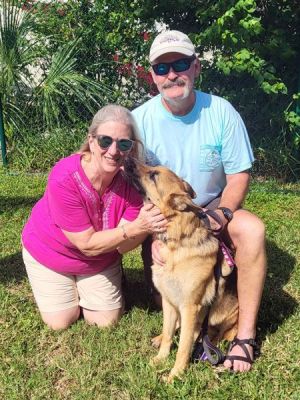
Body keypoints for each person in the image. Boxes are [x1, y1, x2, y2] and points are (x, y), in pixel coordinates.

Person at [132, 30, 266, 372]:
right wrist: (153, 233)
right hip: (168, 219)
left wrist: (222, 213)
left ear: (196, 67)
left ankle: (244, 338)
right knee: (172, 288)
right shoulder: (140, 120)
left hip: (213, 205)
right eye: (162, 69)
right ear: (152, 76)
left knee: (252, 231)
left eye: (180, 64)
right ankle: (177, 327)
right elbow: (133, 183)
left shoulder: (221, 112)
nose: (172, 74)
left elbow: (238, 176)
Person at [21, 104, 167, 330]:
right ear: (91, 140)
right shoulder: (64, 176)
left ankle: (92, 285)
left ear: (131, 148)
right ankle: (62, 282)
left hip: (100, 258)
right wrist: (137, 227)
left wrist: (140, 228)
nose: (113, 151)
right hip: (49, 252)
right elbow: (87, 244)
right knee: (60, 322)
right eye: (105, 141)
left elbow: (122, 247)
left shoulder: (133, 183)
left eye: (124, 144)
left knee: (105, 322)